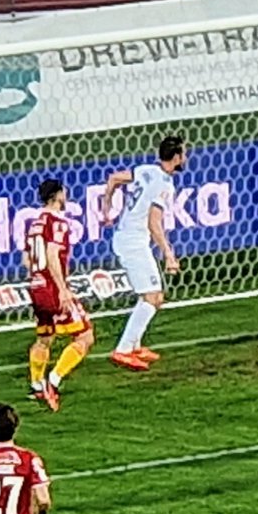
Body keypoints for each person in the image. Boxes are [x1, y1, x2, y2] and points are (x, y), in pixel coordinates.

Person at [101, 135, 186, 372]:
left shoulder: (146, 169)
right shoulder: (165, 185)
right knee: (152, 297)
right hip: (133, 242)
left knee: (154, 297)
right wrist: (168, 254)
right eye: (184, 154)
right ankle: (123, 349)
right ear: (176, 157)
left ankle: (135, 345)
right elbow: (154, 223)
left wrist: (106, 207)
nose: (186, 158)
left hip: (130, 238)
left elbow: (114, 178)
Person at [24, 179, 92, 411]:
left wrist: (38, 280)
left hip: (36, 287)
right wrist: (62, 289)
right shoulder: (58, 223)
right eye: (63, 191)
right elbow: (53, 255)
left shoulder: (34, 224)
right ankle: (53, 381)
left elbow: (27, 259)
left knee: (44, 338)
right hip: (53, 288)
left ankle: (36, 385)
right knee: (85, 336)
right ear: (57, 195)